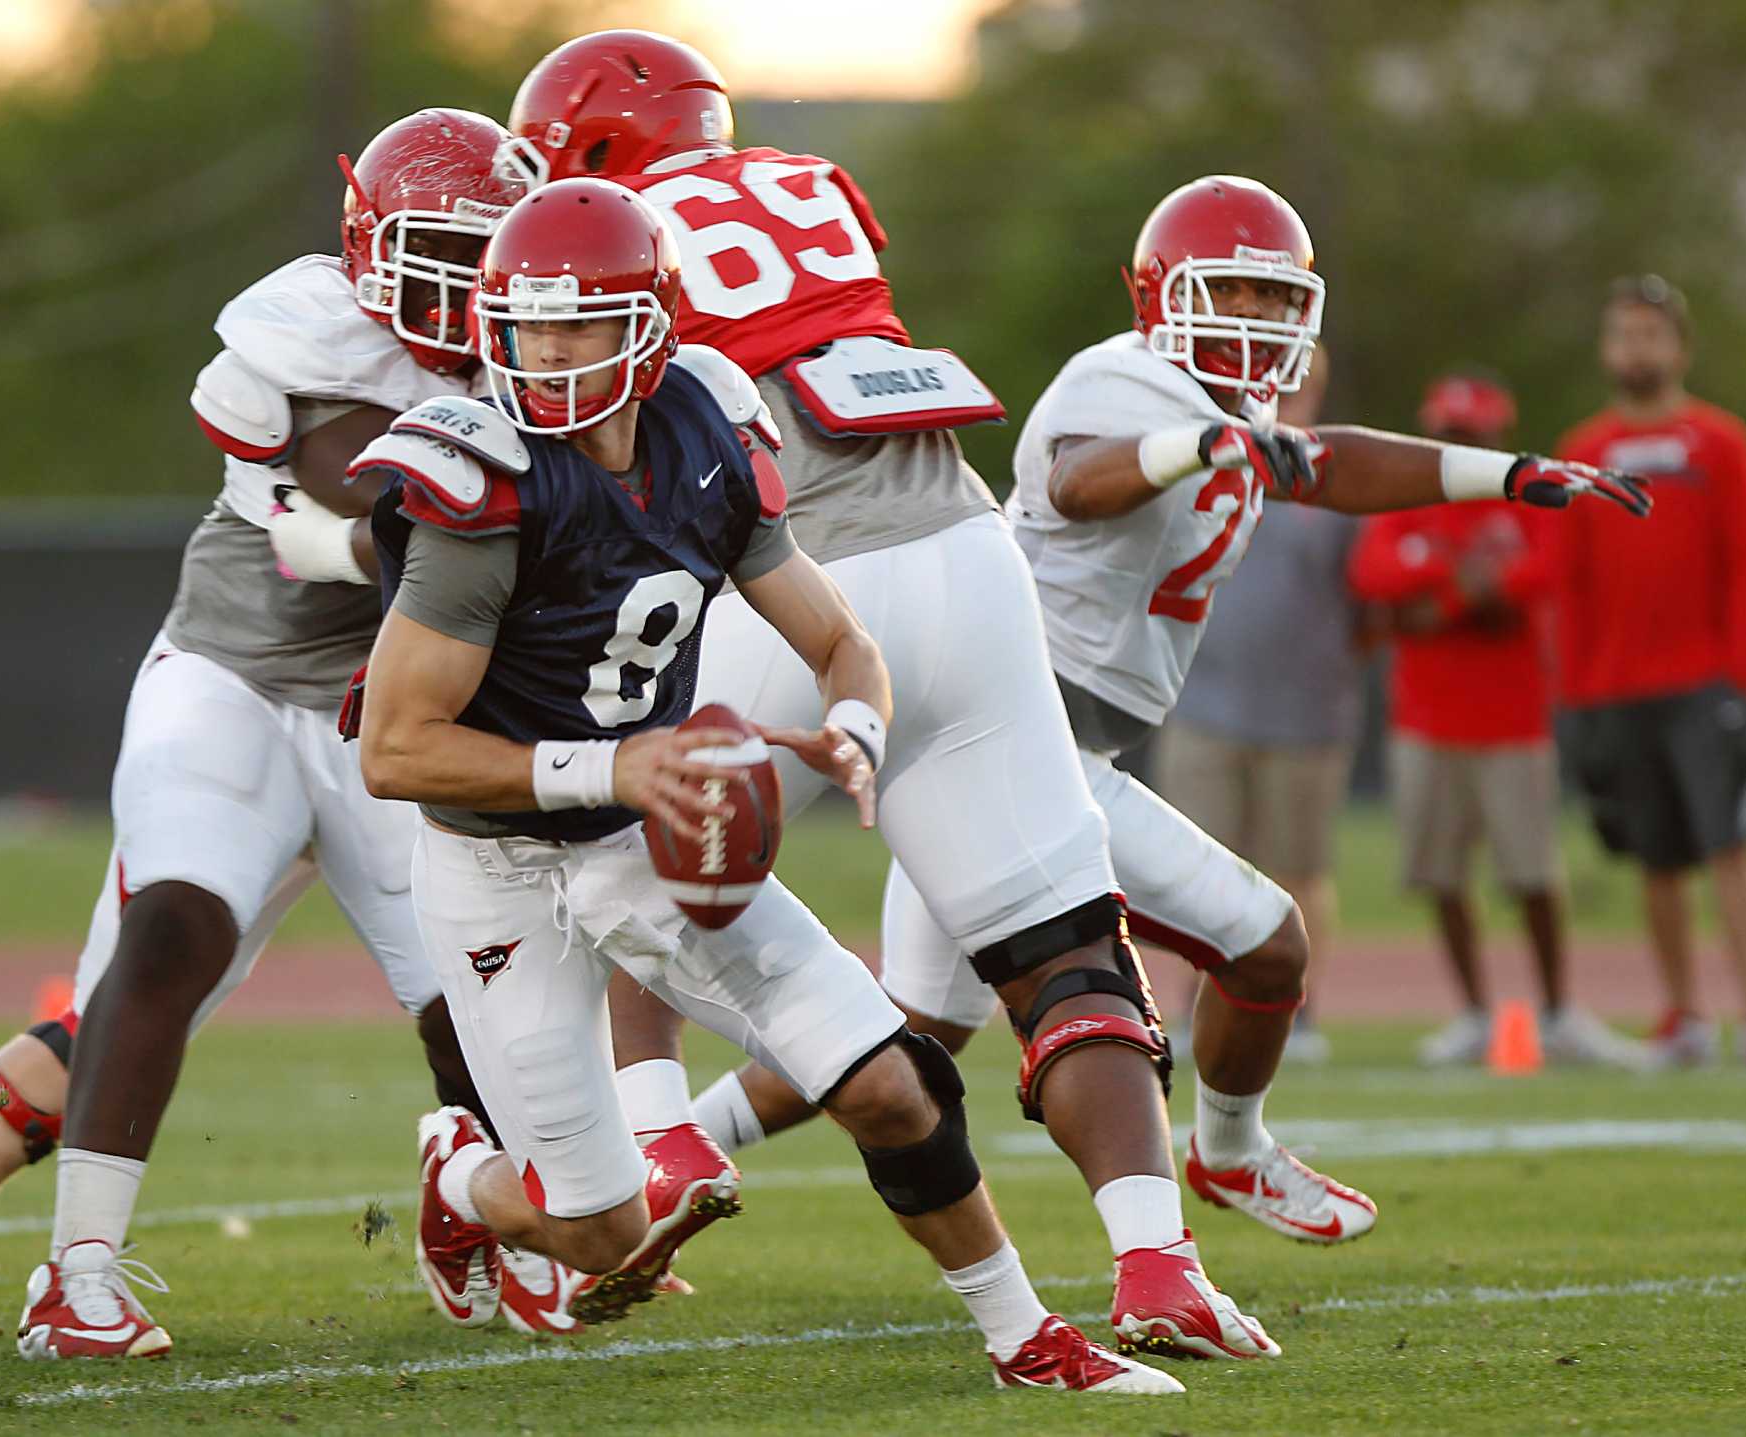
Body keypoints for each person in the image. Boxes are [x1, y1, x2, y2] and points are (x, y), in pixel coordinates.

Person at [504, 30, 1286, 1363]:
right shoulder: (815, 179)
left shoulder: (609, 239)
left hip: (794, 564)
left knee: (644, 832)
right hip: (969, 558)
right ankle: (1160, 1265)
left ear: (580, 154)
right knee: (1066, 951)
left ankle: (667, 1129)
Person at [346, 176, 1180, 1395]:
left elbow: (843, 643)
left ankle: (1024, 1340)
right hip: (497, 867)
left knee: (893, 1086)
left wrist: (853, 726)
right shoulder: (481, 484)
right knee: (598, 1233)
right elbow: (394, 751)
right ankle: (459, 1182)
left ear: (653, 324)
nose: (546, 352)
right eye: (525, 324)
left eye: (580, 321)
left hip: (643, 827)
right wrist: (614, 762)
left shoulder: (708, 434)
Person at [867, 174, 1646, 1264]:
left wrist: (1508, 474)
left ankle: (658, 1173)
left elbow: (1337, 465)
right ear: (1160, 294)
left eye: (1274, 299)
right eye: (1229, 290)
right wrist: (1202, 449)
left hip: (1031, 743)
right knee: (1264, 946)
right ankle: (1206, 1183)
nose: (1254, 319)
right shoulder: (1124, 378)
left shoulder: (1227, 412)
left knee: (893, 1062)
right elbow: (1081, 479)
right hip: (1021, 743)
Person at [0, 111, 534, 1361]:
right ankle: (79, 1274)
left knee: (481, 999)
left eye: (490, 253)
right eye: (444, 247)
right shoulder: (305, 322)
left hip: (391, 712)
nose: (465, 281)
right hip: (235, 672)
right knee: (173, 927)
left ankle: (483, 1211)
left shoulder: (538, 345)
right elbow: (344, 509)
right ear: (374, 240)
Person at [1350, 373, 1646, 1068]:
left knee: (1532, 874)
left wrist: (1440, 597)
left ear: (1495, 436)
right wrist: (1469, 586)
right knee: (1442, 875)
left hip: (1512, 722)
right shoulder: (1410, 495)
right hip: (1426, 720)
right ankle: (1475, 1014)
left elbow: (1541, 574)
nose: (1457, 443)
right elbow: (1375, 575)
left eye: (1469, 433)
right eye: (1447, 432)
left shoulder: (1526, 496)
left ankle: (1559, 1008)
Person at [1555, 275, 1746, 1068]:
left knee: (1732, 848)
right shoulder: (1585, 452)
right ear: (1608, 348)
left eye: (1651, 334)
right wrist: (1574, 694)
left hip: (1706, 686)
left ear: (1678, 347)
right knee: (1658, 860)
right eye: (1623, 334)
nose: (1637, 349)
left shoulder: (1719, 442)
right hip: (1615, 689)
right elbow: (1565, 580)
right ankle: (1682, 1014)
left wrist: (1741, 680)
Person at [1155, 346, 1356, 1064]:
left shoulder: (1335, 478)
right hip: (1203, 699)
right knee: (1201, 873)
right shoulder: (1208, 455)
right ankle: (1199, 1007)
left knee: (1297, 868)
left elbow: (1364, 599)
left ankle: (1296, 1013)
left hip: (1305, 712)